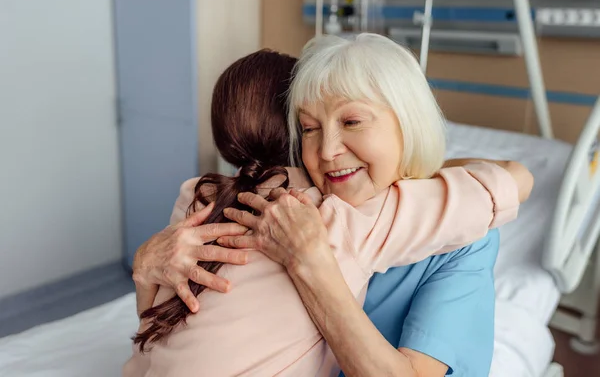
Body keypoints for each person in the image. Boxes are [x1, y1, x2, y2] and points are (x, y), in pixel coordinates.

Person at [130, 36, 534, 376]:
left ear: (407, 123)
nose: (326, 151)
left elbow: (514, 179)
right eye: (308, 129)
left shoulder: (464, 236)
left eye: (353, 122)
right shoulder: (317, 210)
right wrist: (146, 266)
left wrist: (310, 263)